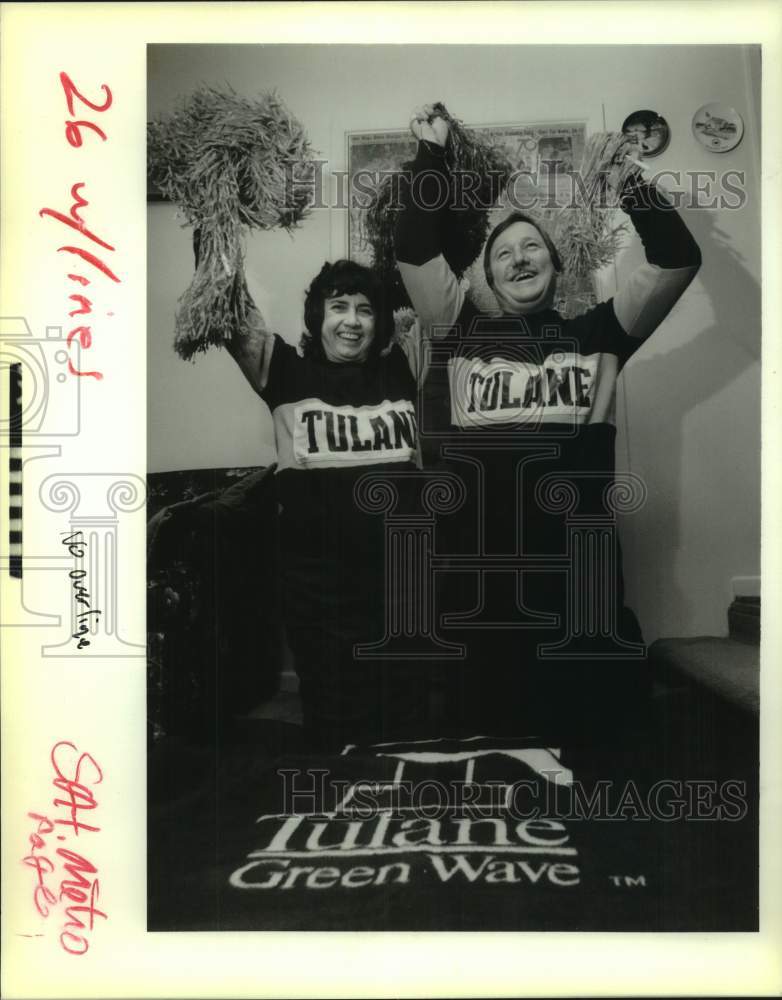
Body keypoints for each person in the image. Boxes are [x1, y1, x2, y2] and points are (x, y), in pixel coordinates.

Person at [393, 107, 702, 742]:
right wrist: (432, 154)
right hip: (480, 597)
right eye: (503, 252)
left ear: (558, 267)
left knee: (587, 761)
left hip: (578, 591)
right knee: (493, 763)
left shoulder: (600, 334)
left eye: (533, 245)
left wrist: (624, 175)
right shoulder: (459, 333)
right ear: (485, 276)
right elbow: (415, 250)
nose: (519, 256)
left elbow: (676, 259)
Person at [223, 257, 428, 751]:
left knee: (409, 737)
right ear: (317, 317)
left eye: (365, 309)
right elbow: (229, 311)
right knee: (338, 741)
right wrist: (219, 211)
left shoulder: (401, 366)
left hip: (403, 594)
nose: (352, 321)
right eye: (339, 307)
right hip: (322, 601)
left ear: (380, 322)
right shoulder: (286, 373)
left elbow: (436, 278)